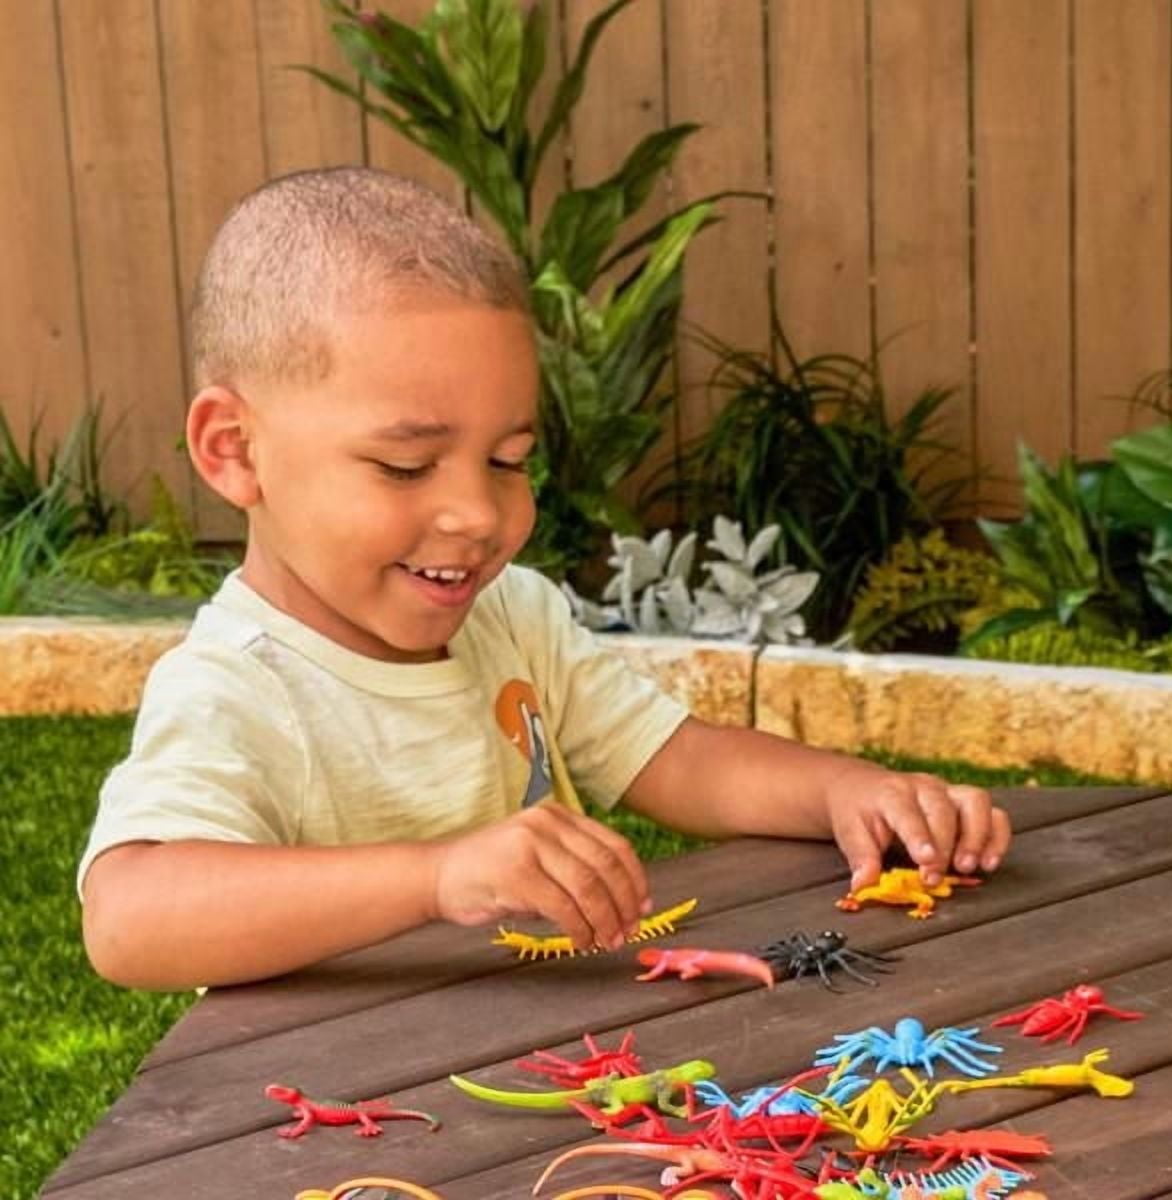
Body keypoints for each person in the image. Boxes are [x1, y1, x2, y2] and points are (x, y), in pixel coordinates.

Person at [79, 168, 1010, 991]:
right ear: (235, 451)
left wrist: (844, 792)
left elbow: (677, 758)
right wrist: (436, 878)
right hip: (336, 1111)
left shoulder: (508, 616)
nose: (477, 514)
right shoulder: (239, 686)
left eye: (509, 460)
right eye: (406, 467)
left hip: (542, 1063)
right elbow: (129, 919)